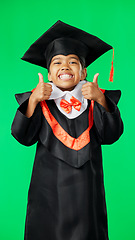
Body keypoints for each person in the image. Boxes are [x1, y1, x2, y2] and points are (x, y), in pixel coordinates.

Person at [11, 20, 123, 240]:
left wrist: (100, 98)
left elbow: (111, 135)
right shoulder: (41, 102)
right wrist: (33, 100)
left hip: (87, 193)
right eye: (57, 62)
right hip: (47, 190)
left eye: (73, 62)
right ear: (50, 74)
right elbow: (22, 136)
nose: (65, 66)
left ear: (83, 73)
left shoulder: (94, 101)